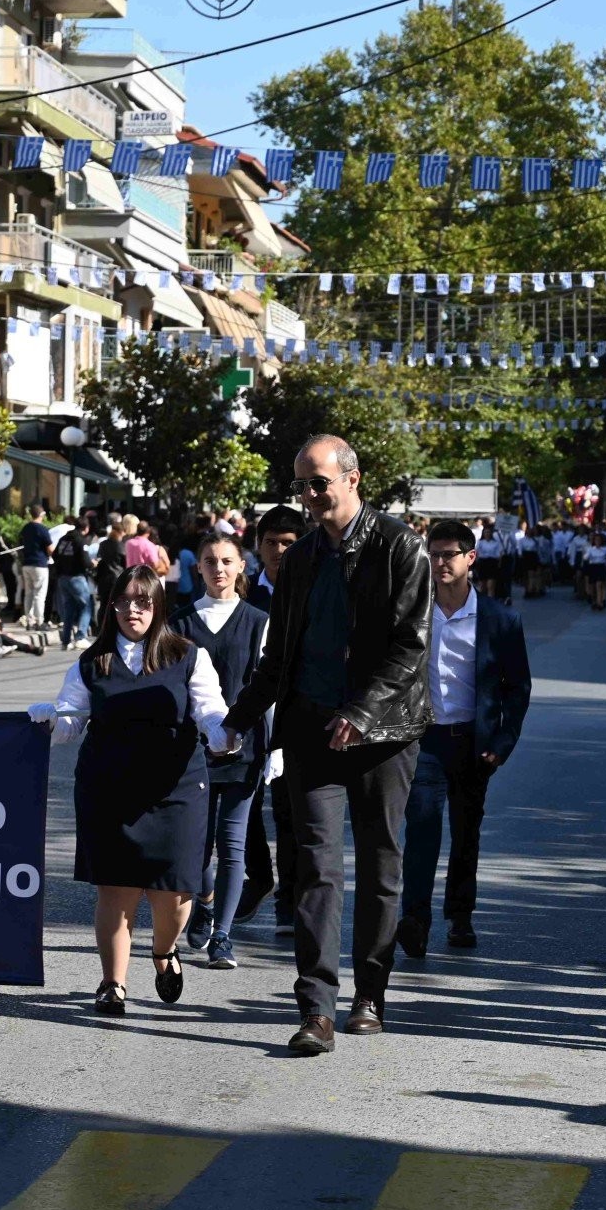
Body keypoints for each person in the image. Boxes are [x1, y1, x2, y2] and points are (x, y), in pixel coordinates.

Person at [221, 435, 431, 1055]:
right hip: (313, 731)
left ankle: (370, 993)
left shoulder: (399, 546)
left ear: (352, 479)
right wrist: (239, 718)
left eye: (320, 483)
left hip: (384, 734)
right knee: (314, 867)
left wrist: (362, 713)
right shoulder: (303, 558)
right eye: (303, 485)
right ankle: (316, 1008)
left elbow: (410, 645)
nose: (311, 497)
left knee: (380, 866)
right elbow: (279, 653)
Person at [32, 565, 236, 1014]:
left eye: (143, 601)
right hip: (110, 788)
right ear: (111, 607)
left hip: (177, 789)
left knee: (174, 895)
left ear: (158, 605)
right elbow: (70, 723)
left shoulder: (188, 655)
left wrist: (225, 734)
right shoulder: (93, 661)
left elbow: (210, 712)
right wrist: (51, 718)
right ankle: (112, 983)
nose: (132, 609)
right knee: (116, 890)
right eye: (123, 600)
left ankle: (164, 951)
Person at [397, 520, 532, 958]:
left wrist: (504, 741)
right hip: (424, 742)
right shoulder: (413, 610)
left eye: (448, 554)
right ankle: (414, 918)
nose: (438, 563)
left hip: (475, 745)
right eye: (432, 554)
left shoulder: (500, 619)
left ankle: (460, 916)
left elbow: (518, 687)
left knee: (465, 832)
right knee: (421, 830)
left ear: (470, 558)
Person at [173, 533, 269, 971]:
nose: (218, 569)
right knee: (195, 844)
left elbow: (271, 690)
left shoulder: (258, 620)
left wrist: (277, 747)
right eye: (210, 561)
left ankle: (222, 937)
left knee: (233, 846)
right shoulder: (179, 623)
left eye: (227, 561)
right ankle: (204, 900)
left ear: (242, 566)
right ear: (199, 568)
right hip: (190, 749)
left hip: (243, 747)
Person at [51, 516, 98, 650]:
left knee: (69, 609)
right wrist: (92, 564)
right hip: (76, 577)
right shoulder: (80, 541)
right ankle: (80, 636)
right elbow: (85, 561)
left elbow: (54, 555)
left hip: (62, 578)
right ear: (86, 528)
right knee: (87, 606)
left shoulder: (63, 539)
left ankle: (65, 641)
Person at [16, 504, 53, 630]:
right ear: (41, 515)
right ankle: (39, 621)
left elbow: (20, 544)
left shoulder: (25, 528)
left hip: (27, 564)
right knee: (39, 594)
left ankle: (29, 620)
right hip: (40, 564)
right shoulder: (42, 529)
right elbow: (50, 548)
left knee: (29, 594)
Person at [582, 531, 606, 611]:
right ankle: (594, 601)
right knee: (593, 585)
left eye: (599, 540)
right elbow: (585, 558)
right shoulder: (591, 549)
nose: (597, 542)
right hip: (593, 567)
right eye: (596, 540)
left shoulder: (605, 549)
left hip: (601, 567)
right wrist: (587, 556)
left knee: (600, 584)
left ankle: (600, 602)